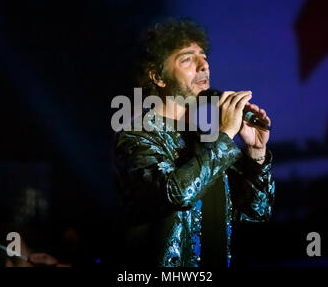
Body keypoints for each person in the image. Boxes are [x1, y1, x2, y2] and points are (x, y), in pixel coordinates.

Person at [113, 18, 275, 267]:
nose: (203, 65)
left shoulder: (206, 138)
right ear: (158, 77)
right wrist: (225, 136)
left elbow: (257, 212)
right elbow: (175, 194)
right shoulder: (137, 136)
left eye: (203, 56)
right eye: (188, 59)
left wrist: (256, 153)